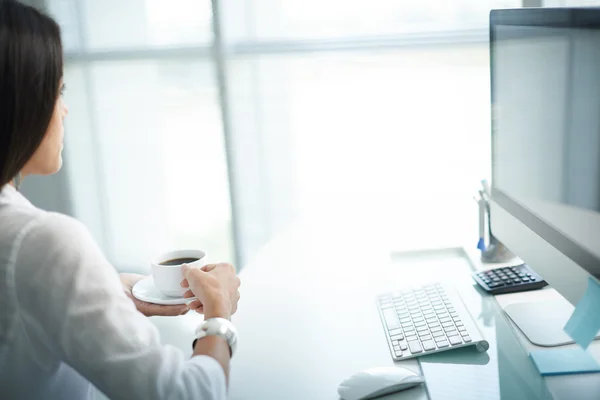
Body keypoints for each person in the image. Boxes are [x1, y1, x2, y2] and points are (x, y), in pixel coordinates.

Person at [0, 1, 241, 399]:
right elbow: (184, 394)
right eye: (58, 89)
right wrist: (219, 314)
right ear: (20, 103)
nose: (66, 107)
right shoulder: (39, 241)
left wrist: (104, 288)